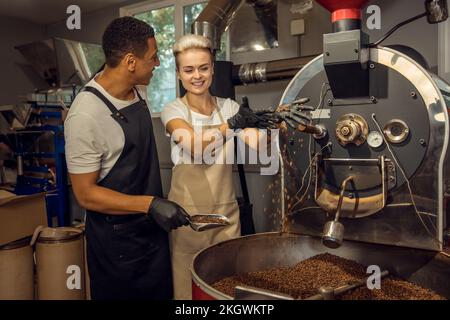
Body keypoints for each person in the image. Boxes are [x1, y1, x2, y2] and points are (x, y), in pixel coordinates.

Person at [161, 34, 311, 299]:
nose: (197, 76)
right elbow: (195, 146)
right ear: (179, 74)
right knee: (189, 291)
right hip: (189, 219)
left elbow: (259, 146)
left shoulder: (228, 107)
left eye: (203, 68)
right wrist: (231, 125)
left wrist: (273, 123)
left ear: (212, 69)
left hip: (227, 217)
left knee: (225, 285)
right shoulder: (173, 111)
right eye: (189, 70)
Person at [64, 17, 189, 300]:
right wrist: (150, 204)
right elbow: (85, 195)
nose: (156, 64)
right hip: (118, 249)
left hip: (150, 236)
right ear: (130, 62)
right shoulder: (85, 116)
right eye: (153, 57)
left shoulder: (136, 89)